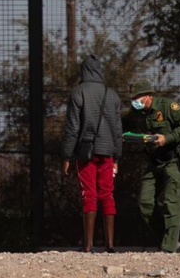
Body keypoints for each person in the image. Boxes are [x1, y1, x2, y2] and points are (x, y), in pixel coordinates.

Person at [61, 55, 123, 253]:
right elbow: (117, 130)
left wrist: (66, 156)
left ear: (83, 71)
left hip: (85, 153)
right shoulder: (112, 95)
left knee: (89, 194)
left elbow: (72, 128)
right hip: (108, 152)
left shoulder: (78, 92)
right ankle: (110, 244)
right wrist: (117, 156)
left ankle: (88, 246)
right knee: (107, 194)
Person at [123, 79, 180, 253]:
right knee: (145, 203)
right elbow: (121, 125)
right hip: (154, 162)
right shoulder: (134, 114)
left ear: (148, 95)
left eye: (138, 97)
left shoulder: (168, 106)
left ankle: (168, 248)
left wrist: (166, 138)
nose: (135, 101)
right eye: (133, 97)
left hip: (173, 161)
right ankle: (167, 237)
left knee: (172, 201)